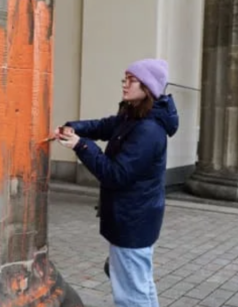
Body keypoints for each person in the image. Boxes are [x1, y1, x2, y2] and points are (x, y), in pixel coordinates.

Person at [55, 58, 179, 307]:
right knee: (139, 284)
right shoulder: (133, 115)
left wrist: (80, 145)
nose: (125, 84)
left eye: (131, 80)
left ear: (148, 88)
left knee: (131, 295)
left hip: (133, 220)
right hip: (134, 217)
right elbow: (103, 126)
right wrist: (72, 128)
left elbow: (116, 174)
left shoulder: (148, 130)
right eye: (125, 78)